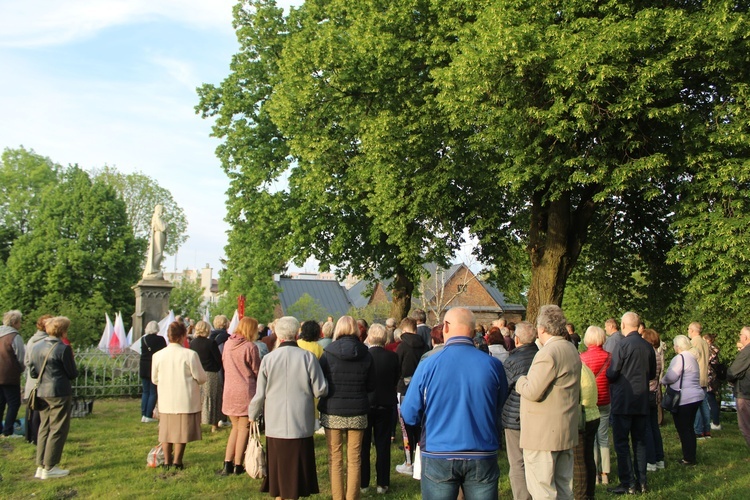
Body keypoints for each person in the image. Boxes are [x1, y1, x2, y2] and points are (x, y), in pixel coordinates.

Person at [402, 307, 508, 499]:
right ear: (474, 332)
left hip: (439, 451)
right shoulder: (493, 365)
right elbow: (498, 404)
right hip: (481, 450)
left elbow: (409, 413)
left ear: (446, 327)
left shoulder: (428, 365)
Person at [249, 316, 328, 499]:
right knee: (297, 469)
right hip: (300, 422)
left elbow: (259, 393)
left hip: (275, 422)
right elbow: (320, 389)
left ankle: (279, 494)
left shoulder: (268, 359)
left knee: (278, 467)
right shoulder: (307, 357)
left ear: (277, 333)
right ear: (296, 333)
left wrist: (252, 414)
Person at [516, 305, 581, 499]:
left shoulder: (547, 353)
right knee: (563, 488)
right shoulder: (570, 348)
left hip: (542, 435)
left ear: (541, 328)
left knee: (543, 490)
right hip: (565, 429)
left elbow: (532, 390)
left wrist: (520, 381)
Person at [318, 315, 375, 500]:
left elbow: (321, 382)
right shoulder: (366, 353)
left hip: (333, 409)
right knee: (354, 458)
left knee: (335, 458)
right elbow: (371, 385)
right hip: (358, 408)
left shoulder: (327, 353)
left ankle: (338, 497)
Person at [606, 312, 655, 495]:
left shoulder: (622, 345)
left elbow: (612, 372)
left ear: (624, 325)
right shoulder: (647, 346)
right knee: (640, 442)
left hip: (623, 399)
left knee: (621, 442)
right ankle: (642, 482)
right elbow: (651, 374)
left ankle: (628, 482)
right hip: (641, 399)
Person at [151, 321, 206, 469]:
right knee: (181, 432)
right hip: (185, 399)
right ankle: (177, 461)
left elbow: (154, 379)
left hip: (166, 399)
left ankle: (167, 460)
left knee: (166, 432)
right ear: (183, 336)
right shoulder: (190, 355)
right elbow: (201, 378)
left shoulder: (158, 355)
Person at [28, 317, 77, 479]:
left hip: (42, 390)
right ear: (63, 331)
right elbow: (72, 373)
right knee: (58, 428)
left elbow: (33, 372)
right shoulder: (63, 348)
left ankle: (41, 465)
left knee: (44, 427)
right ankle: (50, 466)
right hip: (59, 392)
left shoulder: (36, 346)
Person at [360, 323, 400, 495]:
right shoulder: (392, 357)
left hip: (366, 404)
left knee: (363, 445)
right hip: (385, 403)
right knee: (383, 445)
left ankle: (363, 483)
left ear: (369, 337)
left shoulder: (364, 356)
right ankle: (382, 483)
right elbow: (395, 378)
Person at [219, 316, 261, 475]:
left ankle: (227, 462)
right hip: (245, 391)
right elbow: (257, 369)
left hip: (229, 390)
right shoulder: (250, 347)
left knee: (235, 428)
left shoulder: (228, 344)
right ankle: (238, 465)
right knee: (244, 428)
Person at [501, 321, 538, 500]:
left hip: (514, 418)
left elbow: (503, 389)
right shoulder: (541, 356)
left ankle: (522, 496)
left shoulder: (512, 361)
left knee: (517, 462)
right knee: (535, 460)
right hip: (537, 416)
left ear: (517, 339)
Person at [661, 335, 704, 465]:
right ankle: (691, 455)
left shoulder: (679, 358)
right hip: (696, 396)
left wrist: (663, 380)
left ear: (678, 347)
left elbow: (672, 376)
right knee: (689, 428)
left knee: (683, 428)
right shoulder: (692, 358)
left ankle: (688, 458)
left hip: (684, 398)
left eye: (674, 345)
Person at [394, 316, 429, 476]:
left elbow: (396, 369)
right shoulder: (425, 347)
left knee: (406, 428)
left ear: (404, 329)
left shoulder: (401, 347)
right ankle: (421, 462)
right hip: (422, 391)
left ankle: (409, 463)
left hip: (404, 390)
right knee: (421, 427)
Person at [579, 325, 612, 485]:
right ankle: (605, 472)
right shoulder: (609, 357)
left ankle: (595, 475)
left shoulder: (582, 358)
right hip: (605, 399)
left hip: (590, 401)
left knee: (590, 439)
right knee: (603, 437)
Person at [189, 320, 223, 432]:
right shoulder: (210, 343)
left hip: (197, 372)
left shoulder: (192, 343)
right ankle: (214, 424)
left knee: (199, 399)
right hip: (210, 373)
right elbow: (218, 359)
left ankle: (197, 423)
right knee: (212, 397)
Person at [574, 361, 600, 500]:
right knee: (588, 457)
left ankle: (581, 496)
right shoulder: (584, 366)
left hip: (581, 419)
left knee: (578, 462)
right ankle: (590, 494)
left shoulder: (574, 368)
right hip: (593, 415)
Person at [24, 314, 52, 444]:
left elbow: (27, 361)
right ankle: (37, 438)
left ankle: (30, 436)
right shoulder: (45, 342)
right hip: (41, 379)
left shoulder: (31, 340)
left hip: (32, 378)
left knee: (32, 409)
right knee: (39, 411)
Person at [641, 328, 665, 471]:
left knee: (647, 428)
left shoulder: (649, 355)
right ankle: (659, 457)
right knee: (654, 427)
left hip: (648, 391)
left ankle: (650, 460)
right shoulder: (657, 354)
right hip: (655, 392)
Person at [0, 309, 25, 438]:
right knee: (14, 403)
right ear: (15, 322)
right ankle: (7, 430)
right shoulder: (15, 337)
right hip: (9, 375)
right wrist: (22, 369)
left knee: (0, 403)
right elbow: (21, 357)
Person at [688, 322, 712, 439]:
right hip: (704, 377)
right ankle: (707, 430)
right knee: (704, 405)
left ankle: (697, 430)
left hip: (696, 378)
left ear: (692, 330)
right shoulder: (704, 342)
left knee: (695, 404)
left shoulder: (694, 342)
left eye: (688, 329)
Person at [139, 320, 166, 423]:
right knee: (153, 392)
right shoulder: (160, 339)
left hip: (144, 366)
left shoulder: (143, 339)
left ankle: (143, 413)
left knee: (145, 391)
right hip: (154, 365)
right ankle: (149, 414)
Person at [727, 327, 750, 448]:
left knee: (745, 425)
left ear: (745, 337)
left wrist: (731, 379)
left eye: (740, 334)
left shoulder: (747, 351)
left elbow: (732, 371)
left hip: (745, 392)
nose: (739, 337)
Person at [142, 204, 167, 279]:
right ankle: (154, 269)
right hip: (159, 234)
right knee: (158, 252)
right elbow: (163, 228)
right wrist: (166, 225)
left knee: (159, 252)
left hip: (160, 235)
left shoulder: (158, 217)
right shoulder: (156, 217)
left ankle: (155, 268)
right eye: (161, 210)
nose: (162, 212)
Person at [704, 333, 722, 431]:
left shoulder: (709, 350)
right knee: (711, 399)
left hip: (709, 378)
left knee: (709, 399)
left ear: (708, 340)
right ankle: (715, 421)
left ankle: (714, 422)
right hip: (713, 378)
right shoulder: (714, 349)